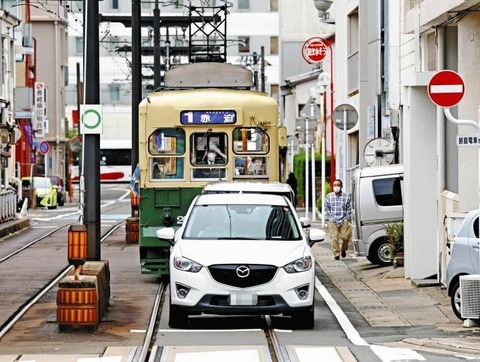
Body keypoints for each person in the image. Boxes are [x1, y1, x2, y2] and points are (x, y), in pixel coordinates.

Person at [324, 179, 352, 260]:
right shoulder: (329, 196)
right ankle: (336, 253)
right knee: (334, 238)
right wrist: (330, 217)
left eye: (338, 185)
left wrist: (347, 218)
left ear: (341, 186)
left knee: (346, 237)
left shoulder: (346, 197)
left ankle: (343, 249)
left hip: (344, 220)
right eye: (334, 185)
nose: (336, 187)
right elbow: (326, 208)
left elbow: (349, 209)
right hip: (333, 220)